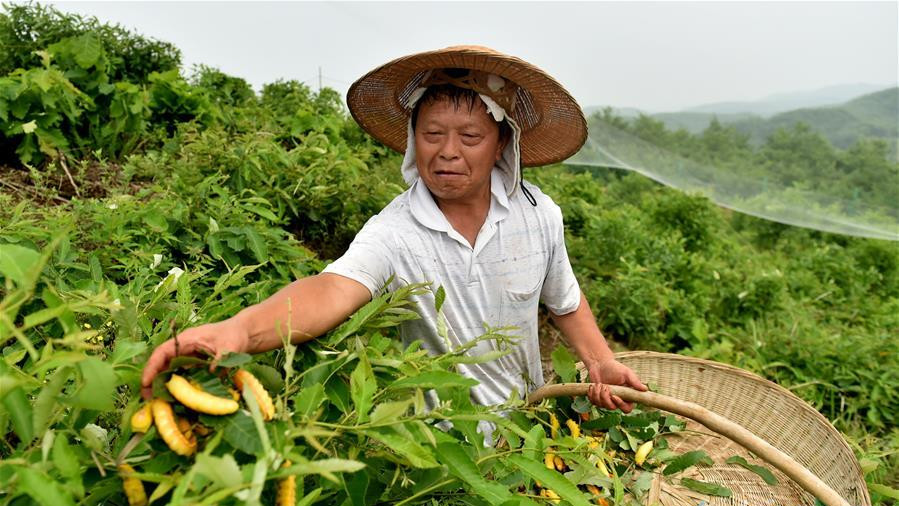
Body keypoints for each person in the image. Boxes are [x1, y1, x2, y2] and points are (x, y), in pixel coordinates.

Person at [141, 45, 646, 413]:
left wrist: (599, 361)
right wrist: (239, 331)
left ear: (501, 146)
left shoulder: (539, 215)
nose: (447, 151)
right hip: (439, 449)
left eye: (469, 136)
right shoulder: (396, 232)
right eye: (432, 134)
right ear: (413, 141)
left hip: (528, 424)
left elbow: (565, 302)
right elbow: (330, 290)